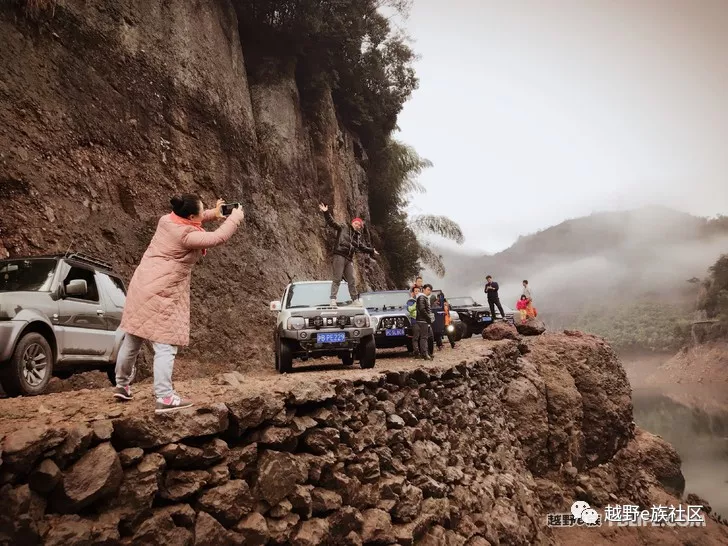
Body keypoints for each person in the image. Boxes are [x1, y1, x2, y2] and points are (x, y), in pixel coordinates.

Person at [113, 195, 244, 413]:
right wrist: (235, 218)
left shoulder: (166, 220)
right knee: (165, 345)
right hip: (162, 292)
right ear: (192, 216)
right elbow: (217, 238)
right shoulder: (187, 236)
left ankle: (122, 385)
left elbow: (191, 220)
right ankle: (164, 397)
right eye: (202, 212)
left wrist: (214, 213)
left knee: (133, 336)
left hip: (142, 285)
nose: (204, 214)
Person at [319, 203, 379, 307]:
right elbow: (332, 223)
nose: (358, 226)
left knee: (351, 280)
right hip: (339, 255)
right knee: (337, 278)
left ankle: (355, 300)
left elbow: (362, 247)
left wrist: (372, 251)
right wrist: (326, 212)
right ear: (352, 222)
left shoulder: (357, 237)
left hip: (349, 259)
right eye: (356, 223)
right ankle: (333, 300)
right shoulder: (343, 227)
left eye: (359, 225)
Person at [415, 284, 435, 360]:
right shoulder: (422, 297)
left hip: (423, 320)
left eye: (430, 290)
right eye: (428, 289)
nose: (429, 292)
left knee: (426, 337)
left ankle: (427, 353)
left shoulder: (424, 298)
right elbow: (422, 309)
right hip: (422, 320)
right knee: (424, 338)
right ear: (423, 289)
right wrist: (428, 317)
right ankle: (425, 354)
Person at [407, 285, 421, 357]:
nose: (417, 293)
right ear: (413, 293)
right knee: (415, 337)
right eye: (416, 291)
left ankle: (423, 352)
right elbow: (409, 309)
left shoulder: (423, 299)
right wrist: (416, 304)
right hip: (414, 321)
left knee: (423, 337)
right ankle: (416, 352)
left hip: (422, 321)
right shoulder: (410, 301)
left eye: (418, 291)